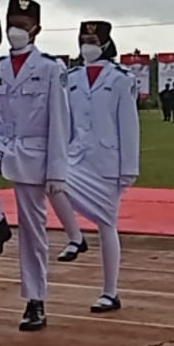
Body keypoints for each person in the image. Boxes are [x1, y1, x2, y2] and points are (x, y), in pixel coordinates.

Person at [0, 0, 69, 333]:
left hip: (34, 153)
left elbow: (60, 122)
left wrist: (57, 172)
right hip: (1, 142)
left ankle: (35, 300)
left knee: (34, 230)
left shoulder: (51, 69)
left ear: (36, 29)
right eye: (12, 23)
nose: (15, 31)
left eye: (22, 25)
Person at [62, 22, 139, 313]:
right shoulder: (71, 78)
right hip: (76, 156)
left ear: (105, 43)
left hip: (108, 161)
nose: (87, 45)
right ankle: (75, 237)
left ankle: (110, 291)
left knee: (107, 225)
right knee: (51, 182)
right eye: (83, 39)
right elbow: (67, 121)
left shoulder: (121, 79)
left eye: (92, 40)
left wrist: (128, 168)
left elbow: (128, 124)